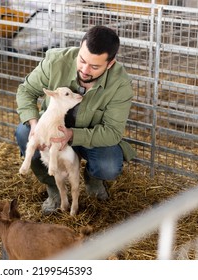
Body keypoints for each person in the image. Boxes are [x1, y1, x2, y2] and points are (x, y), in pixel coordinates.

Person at [15, 25, 136, 215]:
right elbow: (26, 91)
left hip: (89, 138)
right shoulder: (56, 60)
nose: (85, 70)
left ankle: (93, 178)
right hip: (53, 133)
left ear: (110, 64)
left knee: (109, 165)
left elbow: (112, 132)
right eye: (82, 60)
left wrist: (71, 135)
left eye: (95, 66)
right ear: (80, 47)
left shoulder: (120, 84)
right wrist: (34, 124)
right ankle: (54, 187)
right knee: (23, 134)